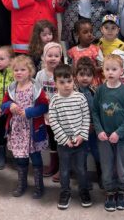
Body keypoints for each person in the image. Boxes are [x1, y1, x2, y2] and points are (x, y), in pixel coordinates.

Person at [1, 55, 49, 199]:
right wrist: (10, 105)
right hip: (17, 129)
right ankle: (22, 184)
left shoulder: (36, 88)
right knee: (20, 158)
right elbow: (3, 106)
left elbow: (44, 106)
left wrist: (28, 112)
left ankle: (39, 186)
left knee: (35, 158)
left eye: (22, 69)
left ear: (30, 71)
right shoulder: (11, 88)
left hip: (32, 129)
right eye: (16, 70)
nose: (19, 72)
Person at [92, 54, 124, 212]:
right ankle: (110, 191)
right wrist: (99, 130)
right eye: (107, 69)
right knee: (107, 165)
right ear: (103, 71)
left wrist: (119, 133)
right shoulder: (100, 90)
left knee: (122, 166)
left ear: (121, 71)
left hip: (122, 138)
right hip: (104, 138)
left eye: (114, 69)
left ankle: (122, 191)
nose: (110, 72)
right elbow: (95, 112)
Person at [49, 64, 91, 210]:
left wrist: (81, 135)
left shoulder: (80, 98)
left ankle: (84, 191)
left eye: (69, 81)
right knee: (65, 170)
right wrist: (64, 139)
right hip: (63, 143)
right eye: (62, 82)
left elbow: (86, 117)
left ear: (74, 81)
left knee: (81, 169)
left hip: (81, 142)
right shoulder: (54, 100)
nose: (66, 85)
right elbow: (53, 121)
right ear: (55, 83)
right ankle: (65, 192)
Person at [34, 42, 63, 180]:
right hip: (46, 113)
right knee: (52, 139)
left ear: (61, 57)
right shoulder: (40, 75)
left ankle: (63, 167)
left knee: (61, 140)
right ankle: (54, 163)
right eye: (49, 55)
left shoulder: (64, 71)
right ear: (44, 57)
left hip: (61, 113)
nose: (53, 58)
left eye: (56, 55)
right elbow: (38, 93)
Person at [74, 57, 102, 189]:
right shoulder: (73, 92)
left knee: (97, 152)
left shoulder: (95, 91)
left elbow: (97, 110)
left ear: (93, 77)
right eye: (81, 75)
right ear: (76, 75)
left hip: (93, 129)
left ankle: (102, 176)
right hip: (79, 131)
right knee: (82, 154)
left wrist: (94, 126)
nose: (85, 78)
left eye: (88, 75)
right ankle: (83, 179)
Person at [67, 19, 103, 86]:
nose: (89, 34)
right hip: (78, 84)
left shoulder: (95, 49)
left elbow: (103, 66)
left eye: (91, 32)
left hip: (93, 84)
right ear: (77, 34)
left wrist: (91, 70)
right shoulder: (73, 51)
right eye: (85, 32)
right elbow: (72, 68)